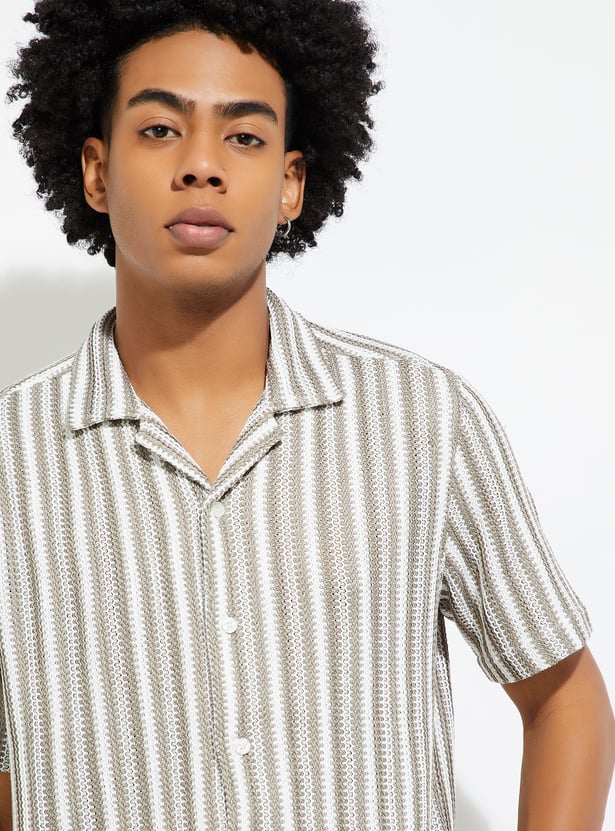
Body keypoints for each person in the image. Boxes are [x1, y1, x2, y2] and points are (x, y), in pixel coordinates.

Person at [0, 1, 613, 829]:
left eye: (244, 136)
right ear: (96, 171)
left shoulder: (421, 424)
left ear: (290, 183)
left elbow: (563, 696)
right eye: (159, 129)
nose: (201, 165)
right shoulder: (11, 463)